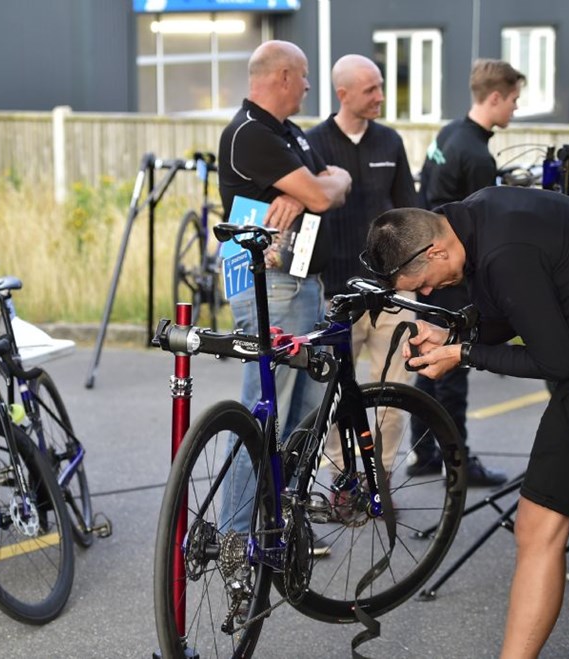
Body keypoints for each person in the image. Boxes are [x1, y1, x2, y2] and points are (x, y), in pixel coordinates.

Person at [363, 185, 569, 657]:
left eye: (424, 283)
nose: (429, 292)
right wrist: (452, 330)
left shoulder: (506, 252)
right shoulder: (478, 215)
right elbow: (519, 309)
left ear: (436, 248)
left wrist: (465, 353)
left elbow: (556, 361)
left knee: (537, 527)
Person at [217, 40, 352, 536]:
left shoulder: (288, 133)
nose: (310, 85)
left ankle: (279, 523)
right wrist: (313, 194)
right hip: (274, 286)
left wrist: (311, 195)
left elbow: (339, 180)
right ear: (282, 77)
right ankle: (234, 534)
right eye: (304, 76)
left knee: (304, 416)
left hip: (302, 284)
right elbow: (322, 190)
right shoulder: (250, 134)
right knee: (266, 416)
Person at [407, 58, 525, 487]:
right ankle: (458, 462)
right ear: (494, 97)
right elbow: (482, 228)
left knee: (425, 360)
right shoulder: (477, 156)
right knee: (451, 367)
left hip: (426, 259)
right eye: (513, 100)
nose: (515, 108)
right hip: (451, 270)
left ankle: (422, 453)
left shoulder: (449, 133)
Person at [304, 54, 417, 483]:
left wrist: (414, 277)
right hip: (335, 291)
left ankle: (380, 476)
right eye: (371, 90)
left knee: (395, 387)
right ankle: (339, 479)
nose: (381, 97)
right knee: (333, 394)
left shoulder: (390, 142)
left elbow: (410, 210)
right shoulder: (313, 144)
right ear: (343, 93)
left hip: (391, 290)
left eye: (381, 86)